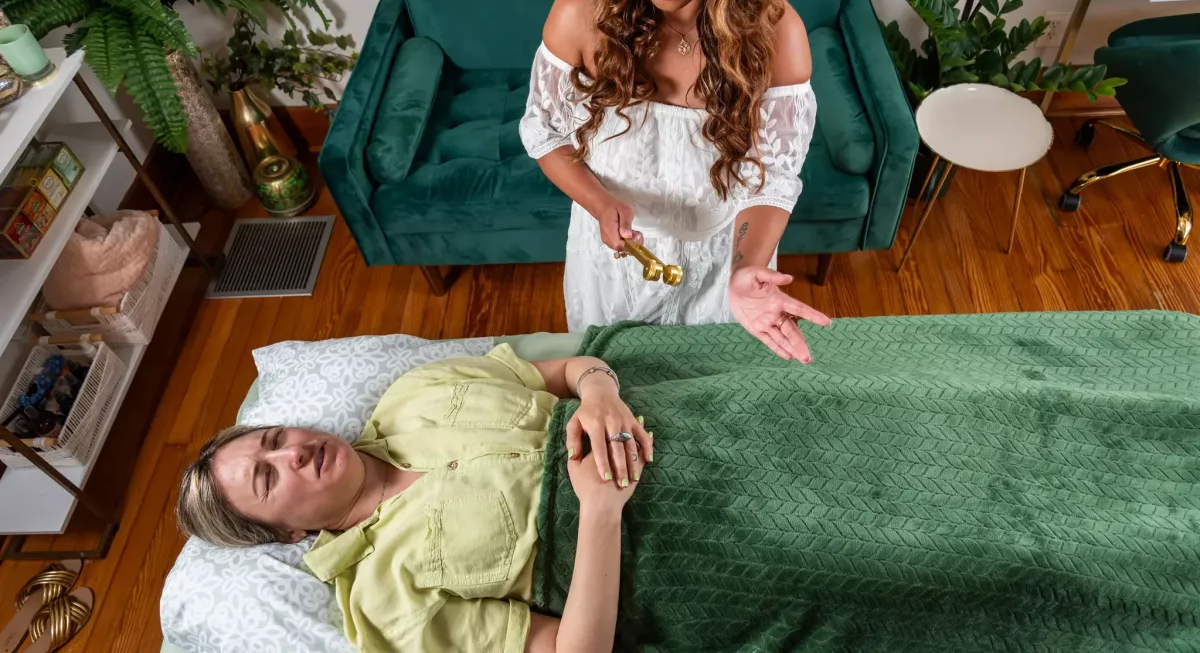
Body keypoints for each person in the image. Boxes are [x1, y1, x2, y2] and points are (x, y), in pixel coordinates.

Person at [178, 343, 1200, 652]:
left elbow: (572, 365)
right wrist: (606, 509)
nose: (293, 447)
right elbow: (572, 652)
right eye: (269, 475)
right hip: (671, 539)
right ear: (287, 530)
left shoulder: (414, 394)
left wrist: (608, 387)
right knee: (959, 543)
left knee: (949, 403)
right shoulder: (388, 599)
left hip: (708, 423)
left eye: (272, 435)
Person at [518, 0, 830, 362]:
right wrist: (599, 203)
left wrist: (745, 269)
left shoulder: (776, 35)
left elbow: (773, 177)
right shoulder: (580, 11)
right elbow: (546, 133)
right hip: (615, 259)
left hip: (722, 264)